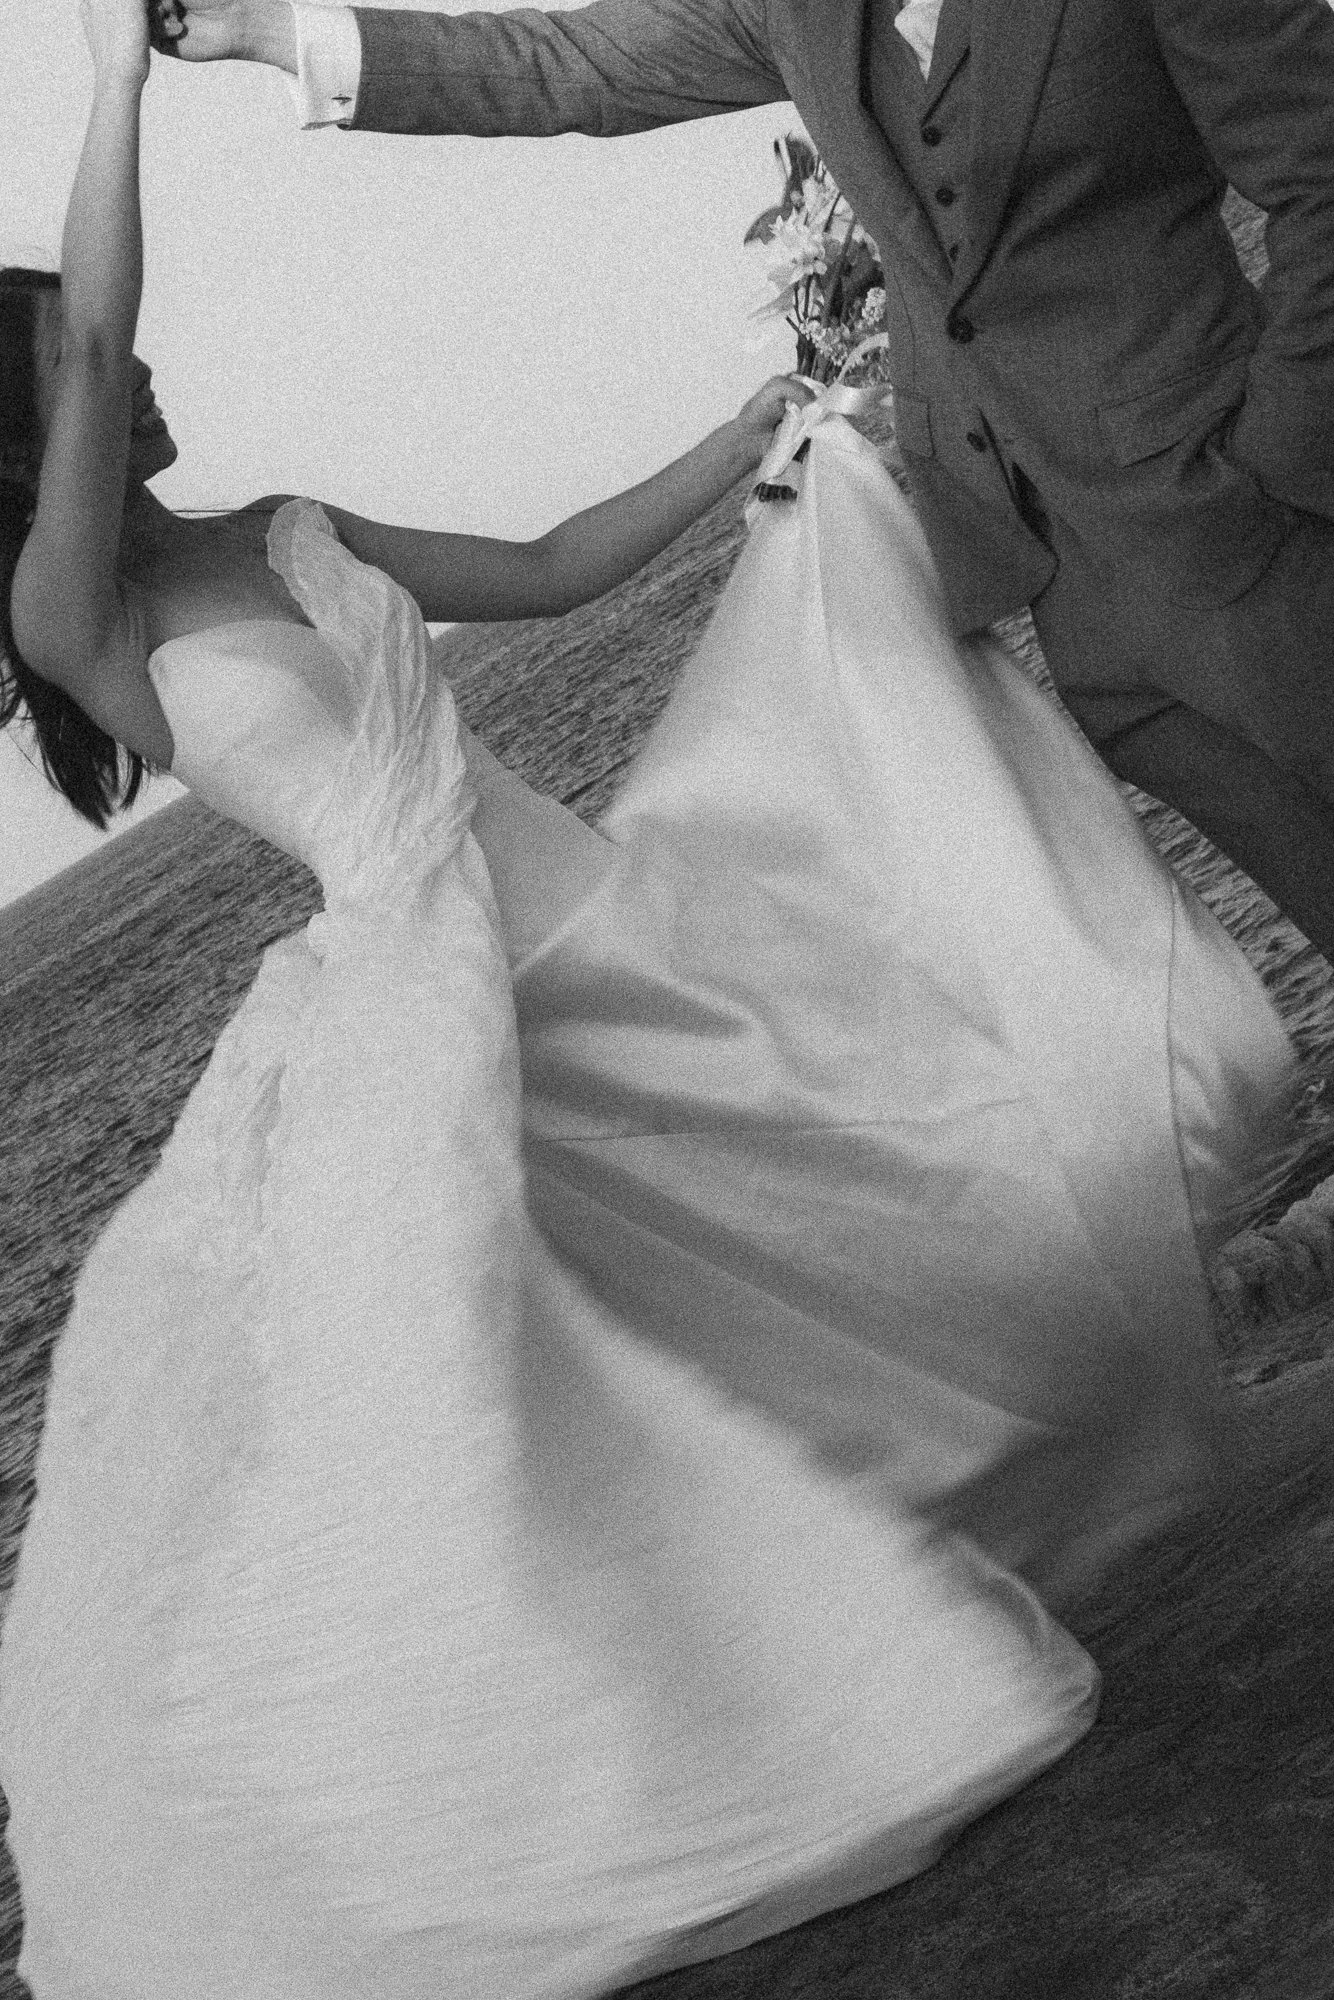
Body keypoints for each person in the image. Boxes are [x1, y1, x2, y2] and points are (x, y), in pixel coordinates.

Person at [0, 3, 1295, 1995]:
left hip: (571, 912)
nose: (138, 367)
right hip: (420, 996)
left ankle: (882, 1535)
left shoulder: (283, 530)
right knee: (514, 1391)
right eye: (73, 368)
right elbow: (96, 338)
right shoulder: (69, 615)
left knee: (809, 1211)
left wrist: (764, 425)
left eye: (110, 353)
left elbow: (546, 562)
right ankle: (656, 1732)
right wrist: (108, 81)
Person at [157, 0, 1334, 970]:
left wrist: (1269, 465)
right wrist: (265, 31)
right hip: (1060, 589)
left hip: (1249, 526)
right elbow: (567, 64)